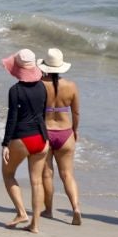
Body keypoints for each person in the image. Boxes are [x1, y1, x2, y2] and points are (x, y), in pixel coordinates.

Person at [0, 48, 50, 233]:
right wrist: (45, 138)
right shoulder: (43, 87)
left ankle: (21, 212)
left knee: (8, 173)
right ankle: (35, 225)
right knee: (36, 182)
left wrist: (5, 143)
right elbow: (42, 114)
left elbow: (12, 118)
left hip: (22, 137)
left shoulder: (15, 90)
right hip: (41, 138)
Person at [38, 48, 82, 226]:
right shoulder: (71, 86)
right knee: (68, 174)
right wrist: (75, 130)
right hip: (66, 133)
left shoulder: (40, 85)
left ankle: (48, 210)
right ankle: (76, 208)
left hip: (45, 132)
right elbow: (76, 112)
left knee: (47, 174)